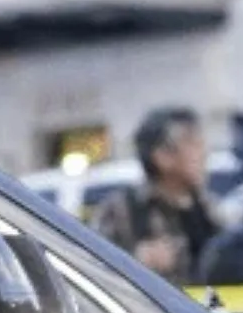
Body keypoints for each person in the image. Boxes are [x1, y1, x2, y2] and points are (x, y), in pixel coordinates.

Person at [91, 107, 221, 286]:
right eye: (191, 143)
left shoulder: (209, 207)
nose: (203, 153)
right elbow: (92, 270)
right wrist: (136, 261)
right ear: (162, 157)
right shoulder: (122, 210)